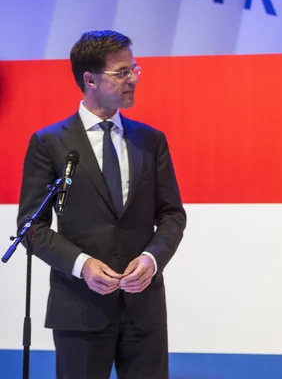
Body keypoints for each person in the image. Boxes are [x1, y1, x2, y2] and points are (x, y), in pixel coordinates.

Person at [17, 30, 186, 378]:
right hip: (79, 307)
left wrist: (153, 259)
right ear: (90, 79)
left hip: (144, 310)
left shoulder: (151, 141)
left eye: (134, 70)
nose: (132, 79)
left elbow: (172, 215)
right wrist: (82, 265)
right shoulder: (49, 142)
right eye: (121, 72)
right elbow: (32, 226)